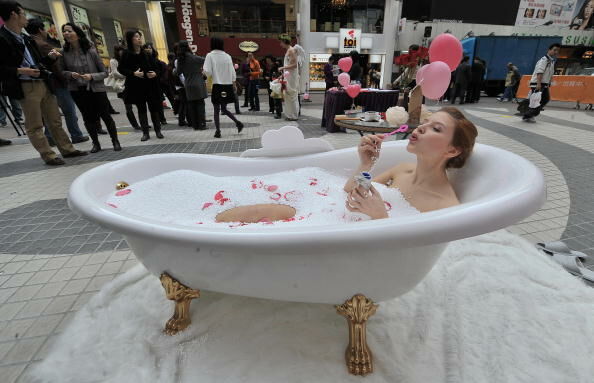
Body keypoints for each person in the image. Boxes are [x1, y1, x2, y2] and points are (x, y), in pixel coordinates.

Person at [344, 107, 478, 217]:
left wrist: (381, 218)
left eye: (436, 128)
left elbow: (414, 249)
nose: (421, 128)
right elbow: (350, 192)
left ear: (452, 151)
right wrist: (366, 164)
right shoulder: (402, 170)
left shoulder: (446, 206)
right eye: (424, 122)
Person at [0, 1, 87, 166]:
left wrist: (50, 58)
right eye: (23, 13)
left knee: (54, 119)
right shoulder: (2, 38)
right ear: (13, 14)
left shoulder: (26, 38)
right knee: (35, 125)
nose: (25, 17)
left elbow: (38, 62)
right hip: (25, 85)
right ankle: (49, 155)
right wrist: (19, 71)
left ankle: (67, 149)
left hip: (43, 81)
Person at [25, 18, 89, 145]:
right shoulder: (43, 45)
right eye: (44, 28)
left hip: (44, 83)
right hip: (57, 83)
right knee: (69, 111)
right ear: (40, 30)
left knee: (50, 113)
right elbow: (56, 67)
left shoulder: (29, 43)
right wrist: (65, 79)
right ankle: (76, 135)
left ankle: (50, 137)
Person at [60, 22, 121, 153]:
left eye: (69, 31)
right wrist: (71, 74)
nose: (66, 33)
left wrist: (92, 76)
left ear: (77, 33)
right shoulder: (63, 52)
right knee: (88, 118)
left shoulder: (90, 50)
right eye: (64, 31)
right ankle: (96, 143)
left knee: (105, 115)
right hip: (78, 90)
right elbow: (61, 72)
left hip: (96, 89)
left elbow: (105, 72)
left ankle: (115, 141)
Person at [119, 30, 164, 141]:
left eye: (139, 36)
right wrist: (133, 73)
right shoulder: (126, 53)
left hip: (150, 85)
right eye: (136, 37)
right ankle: (145, 133)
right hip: (136, 87)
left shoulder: (146, 53)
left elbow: (158, 67)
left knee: (154, 109)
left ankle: (158, 130)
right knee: (141, 110)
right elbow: (121, 69)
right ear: (130, 39)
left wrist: (155, 74)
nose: (139, 39)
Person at [203, 37, 244, 139]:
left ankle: (218, 131)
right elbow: (232, 72)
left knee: (217, 110)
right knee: (224, 108)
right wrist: (233, 83)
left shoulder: (210, 55)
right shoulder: (227, 56)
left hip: (217, 85)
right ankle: (238, 122)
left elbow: (207, 72)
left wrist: (204, 74)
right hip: (228, 85)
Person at [522, 43, 560, 123]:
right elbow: (540, 72)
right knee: (537, 100)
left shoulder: (551, 61)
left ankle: (529, 114)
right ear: (549, 50)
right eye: (554, 50)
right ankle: (528, 115)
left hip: (544, 84)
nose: (556, 52)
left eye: (557, 51)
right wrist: (538, 84)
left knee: (543, 99)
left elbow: (549, 73)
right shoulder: (544, 60)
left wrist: (549, 82)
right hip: (538, 83)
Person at [175, 40, 207, 131]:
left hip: (188, 84)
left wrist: (174, 70)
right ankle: (202, 124)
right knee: (200, 104)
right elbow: (205, 60)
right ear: (187, 46)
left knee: (191, 105)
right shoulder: (194, 57)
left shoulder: (180, 59)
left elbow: (177, 72)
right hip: (198, 83)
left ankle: (195, 125)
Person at [111, 44, 140, 130]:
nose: (122, 52)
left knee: (139, 104)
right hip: (122, 86)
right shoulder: (113, 61)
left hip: (131, 84)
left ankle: (142, 122)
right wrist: (127, 75)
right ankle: (135, 125)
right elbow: (115, 73)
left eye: (122, 50)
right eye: (120, 50)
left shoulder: (127, 58)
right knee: (128, 106)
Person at [279, 36, 299, 121]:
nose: (280, 44)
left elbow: (294, 65)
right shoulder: (289, 50)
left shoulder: (291, 50)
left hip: (292, 76)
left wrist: (282, 68)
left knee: (292, 95)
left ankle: (294, 115)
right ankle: (289, 115)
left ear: (284, 41)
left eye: (281, 42)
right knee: (288, 95)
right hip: (289, 75)